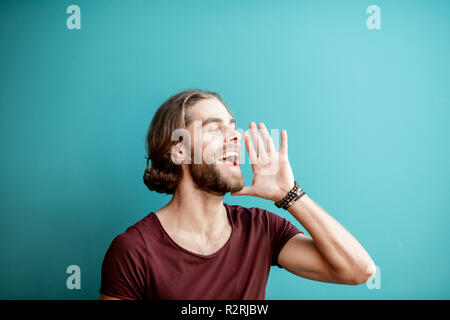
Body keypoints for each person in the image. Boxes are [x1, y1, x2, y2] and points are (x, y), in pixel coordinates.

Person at [99, 89, 376, 300]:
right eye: (214, 128)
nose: (234, 137)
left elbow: (358, 271)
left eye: (232, 127)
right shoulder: (134, 250)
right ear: (179, 150)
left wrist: (289, 194)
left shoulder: (262, 229)